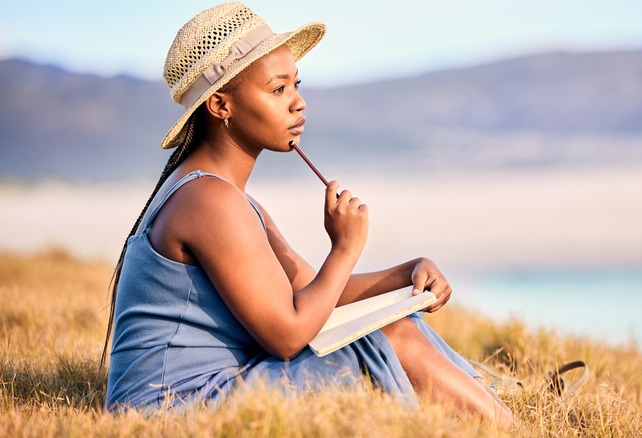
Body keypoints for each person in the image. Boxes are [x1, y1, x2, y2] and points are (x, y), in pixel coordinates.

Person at [101, 2, 513, 426]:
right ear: (221, 106)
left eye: (296, 85)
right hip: (174, 412)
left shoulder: (226, 198)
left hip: (205, 392)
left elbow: (311, 293)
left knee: (396, 323)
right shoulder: (209, 201)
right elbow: (287, 335)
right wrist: (346, 248)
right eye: (278, 90)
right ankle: (512, 428)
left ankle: (490, 404)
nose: (299, 103)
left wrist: (407, 275)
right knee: (391, 337)